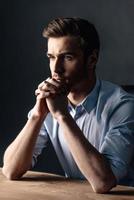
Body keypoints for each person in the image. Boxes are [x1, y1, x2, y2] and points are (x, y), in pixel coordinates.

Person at [2, 17, 134, 193]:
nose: (56, 69)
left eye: (67, 57)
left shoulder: (123, 105)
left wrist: (62, 116)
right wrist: (37, 115)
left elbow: (104, 182)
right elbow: (10, 170)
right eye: (51, 57)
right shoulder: (52, 101)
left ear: (92, 60)